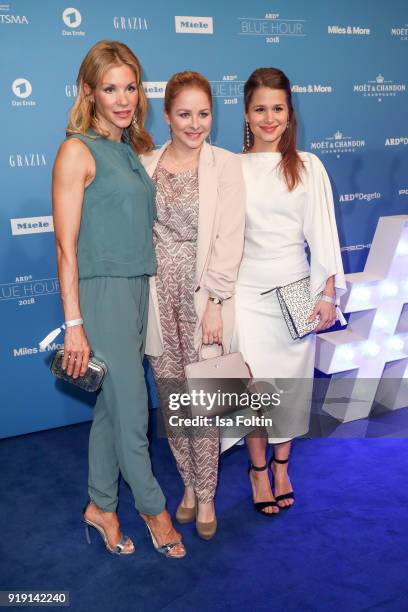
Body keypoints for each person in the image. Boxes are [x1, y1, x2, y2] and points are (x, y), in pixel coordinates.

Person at [52, 40, 185, 557]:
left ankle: (101, 505)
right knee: (133, 410)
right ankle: (155, 509)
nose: (124, 98)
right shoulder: (76, 150)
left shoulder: (129, 148)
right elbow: (66, 247)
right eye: (110, 88)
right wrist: (74, 322)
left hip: (136, 287)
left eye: (130, 87)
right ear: (89, 91)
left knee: (112, 406)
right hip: (99, 293)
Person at [230, 67, 346, 515]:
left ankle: (282, 467)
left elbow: (324, 236)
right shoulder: (231, 168)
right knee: (252, 390)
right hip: (245, 295)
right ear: (245, 113)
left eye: (277, 108)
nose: (269, 117)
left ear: (289, 112)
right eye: (260, 108)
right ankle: (258, 472)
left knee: (290, 389)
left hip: (296, 295)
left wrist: (328, 295)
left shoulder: (308, 165)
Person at [141, 71, 245, 539]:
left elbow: (229, 236)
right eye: (184, 114)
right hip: (157, 299)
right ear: (167, 115)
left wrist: (217, 301)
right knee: (173, 402)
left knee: (204, 399)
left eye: (203, 114)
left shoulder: (225, 165)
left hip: (203, 298)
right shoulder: (144, 164)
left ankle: (207, 497)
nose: (195, 123)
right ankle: (187, 486)